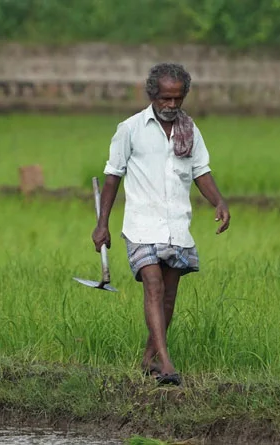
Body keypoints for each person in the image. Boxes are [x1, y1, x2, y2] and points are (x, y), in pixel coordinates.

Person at [91, 62, 230, 386]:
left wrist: (219, 202)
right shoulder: (130, 129)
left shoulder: (190, 130)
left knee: (169, 294)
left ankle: (149, 357)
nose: (171, 106)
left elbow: (200, 172)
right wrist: (102, 225)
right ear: (153, 95)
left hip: (176, 224)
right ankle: (166, 364)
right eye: (165, 99)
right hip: (141, 223)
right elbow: (113, 176)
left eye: (177, 99)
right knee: (153, 285)